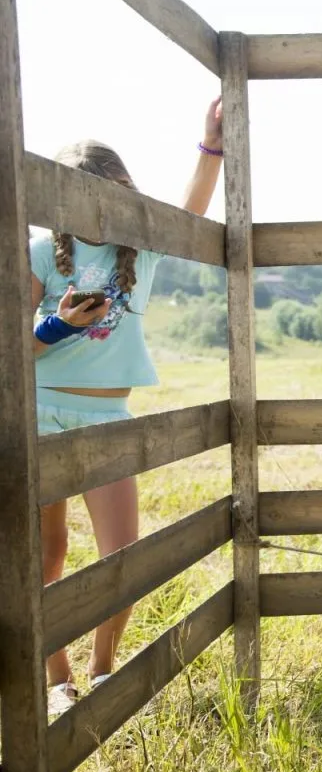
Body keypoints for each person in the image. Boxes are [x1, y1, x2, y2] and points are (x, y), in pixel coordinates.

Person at [31, 98, 226, 715]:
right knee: (48, 554)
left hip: (108, 417)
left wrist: (211, 145)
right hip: (41, 412)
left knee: (124, 558)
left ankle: (104, 667)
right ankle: (58, 679)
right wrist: (57, 327)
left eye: (121, 193)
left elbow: (191, 208)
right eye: (99, 196)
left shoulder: (142, 249)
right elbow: (15, 351)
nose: (113, 206)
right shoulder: (38, 252)